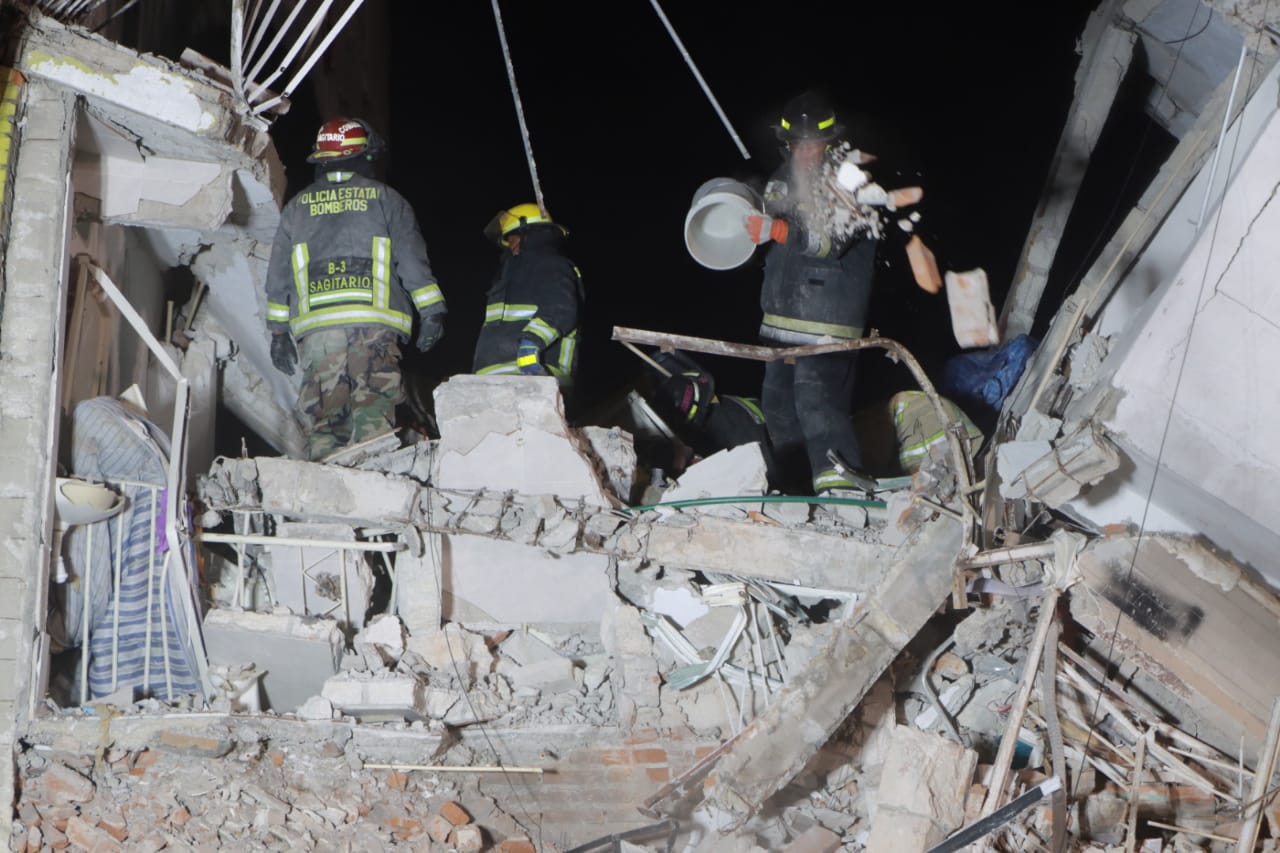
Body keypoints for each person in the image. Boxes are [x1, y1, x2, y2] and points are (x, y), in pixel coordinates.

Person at [264, 117, 446, 460]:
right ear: (365, 155)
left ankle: (327, 485)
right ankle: (373, 481)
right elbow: (413, 263)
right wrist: (432, 312)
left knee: (325, 417)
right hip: (374, 326)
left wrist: (278, 335)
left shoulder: (296, 209)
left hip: (319, 331)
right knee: (373, 407)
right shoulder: (387, 200)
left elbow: (278, 278)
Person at [743, 91, 878, 494]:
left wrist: (780, 230)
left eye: (813, 144)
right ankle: (798, 488)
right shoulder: (782, 180)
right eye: (797, 145)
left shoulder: (851, 179)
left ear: (831, 142)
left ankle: (843, 491)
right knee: (779, 408)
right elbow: (774, 245)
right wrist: (750, 229)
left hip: (828, 322)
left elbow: (833, 239)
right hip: (781, 322)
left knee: (817, 403)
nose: (805, 153)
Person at [473, 203, 583, 389]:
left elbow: (561, 309)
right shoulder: (506, 281)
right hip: (494, 379)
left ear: (530, 235)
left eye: (513, 240)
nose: (511, 247)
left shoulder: (553, 266)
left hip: (540, 372)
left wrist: (531, 343)